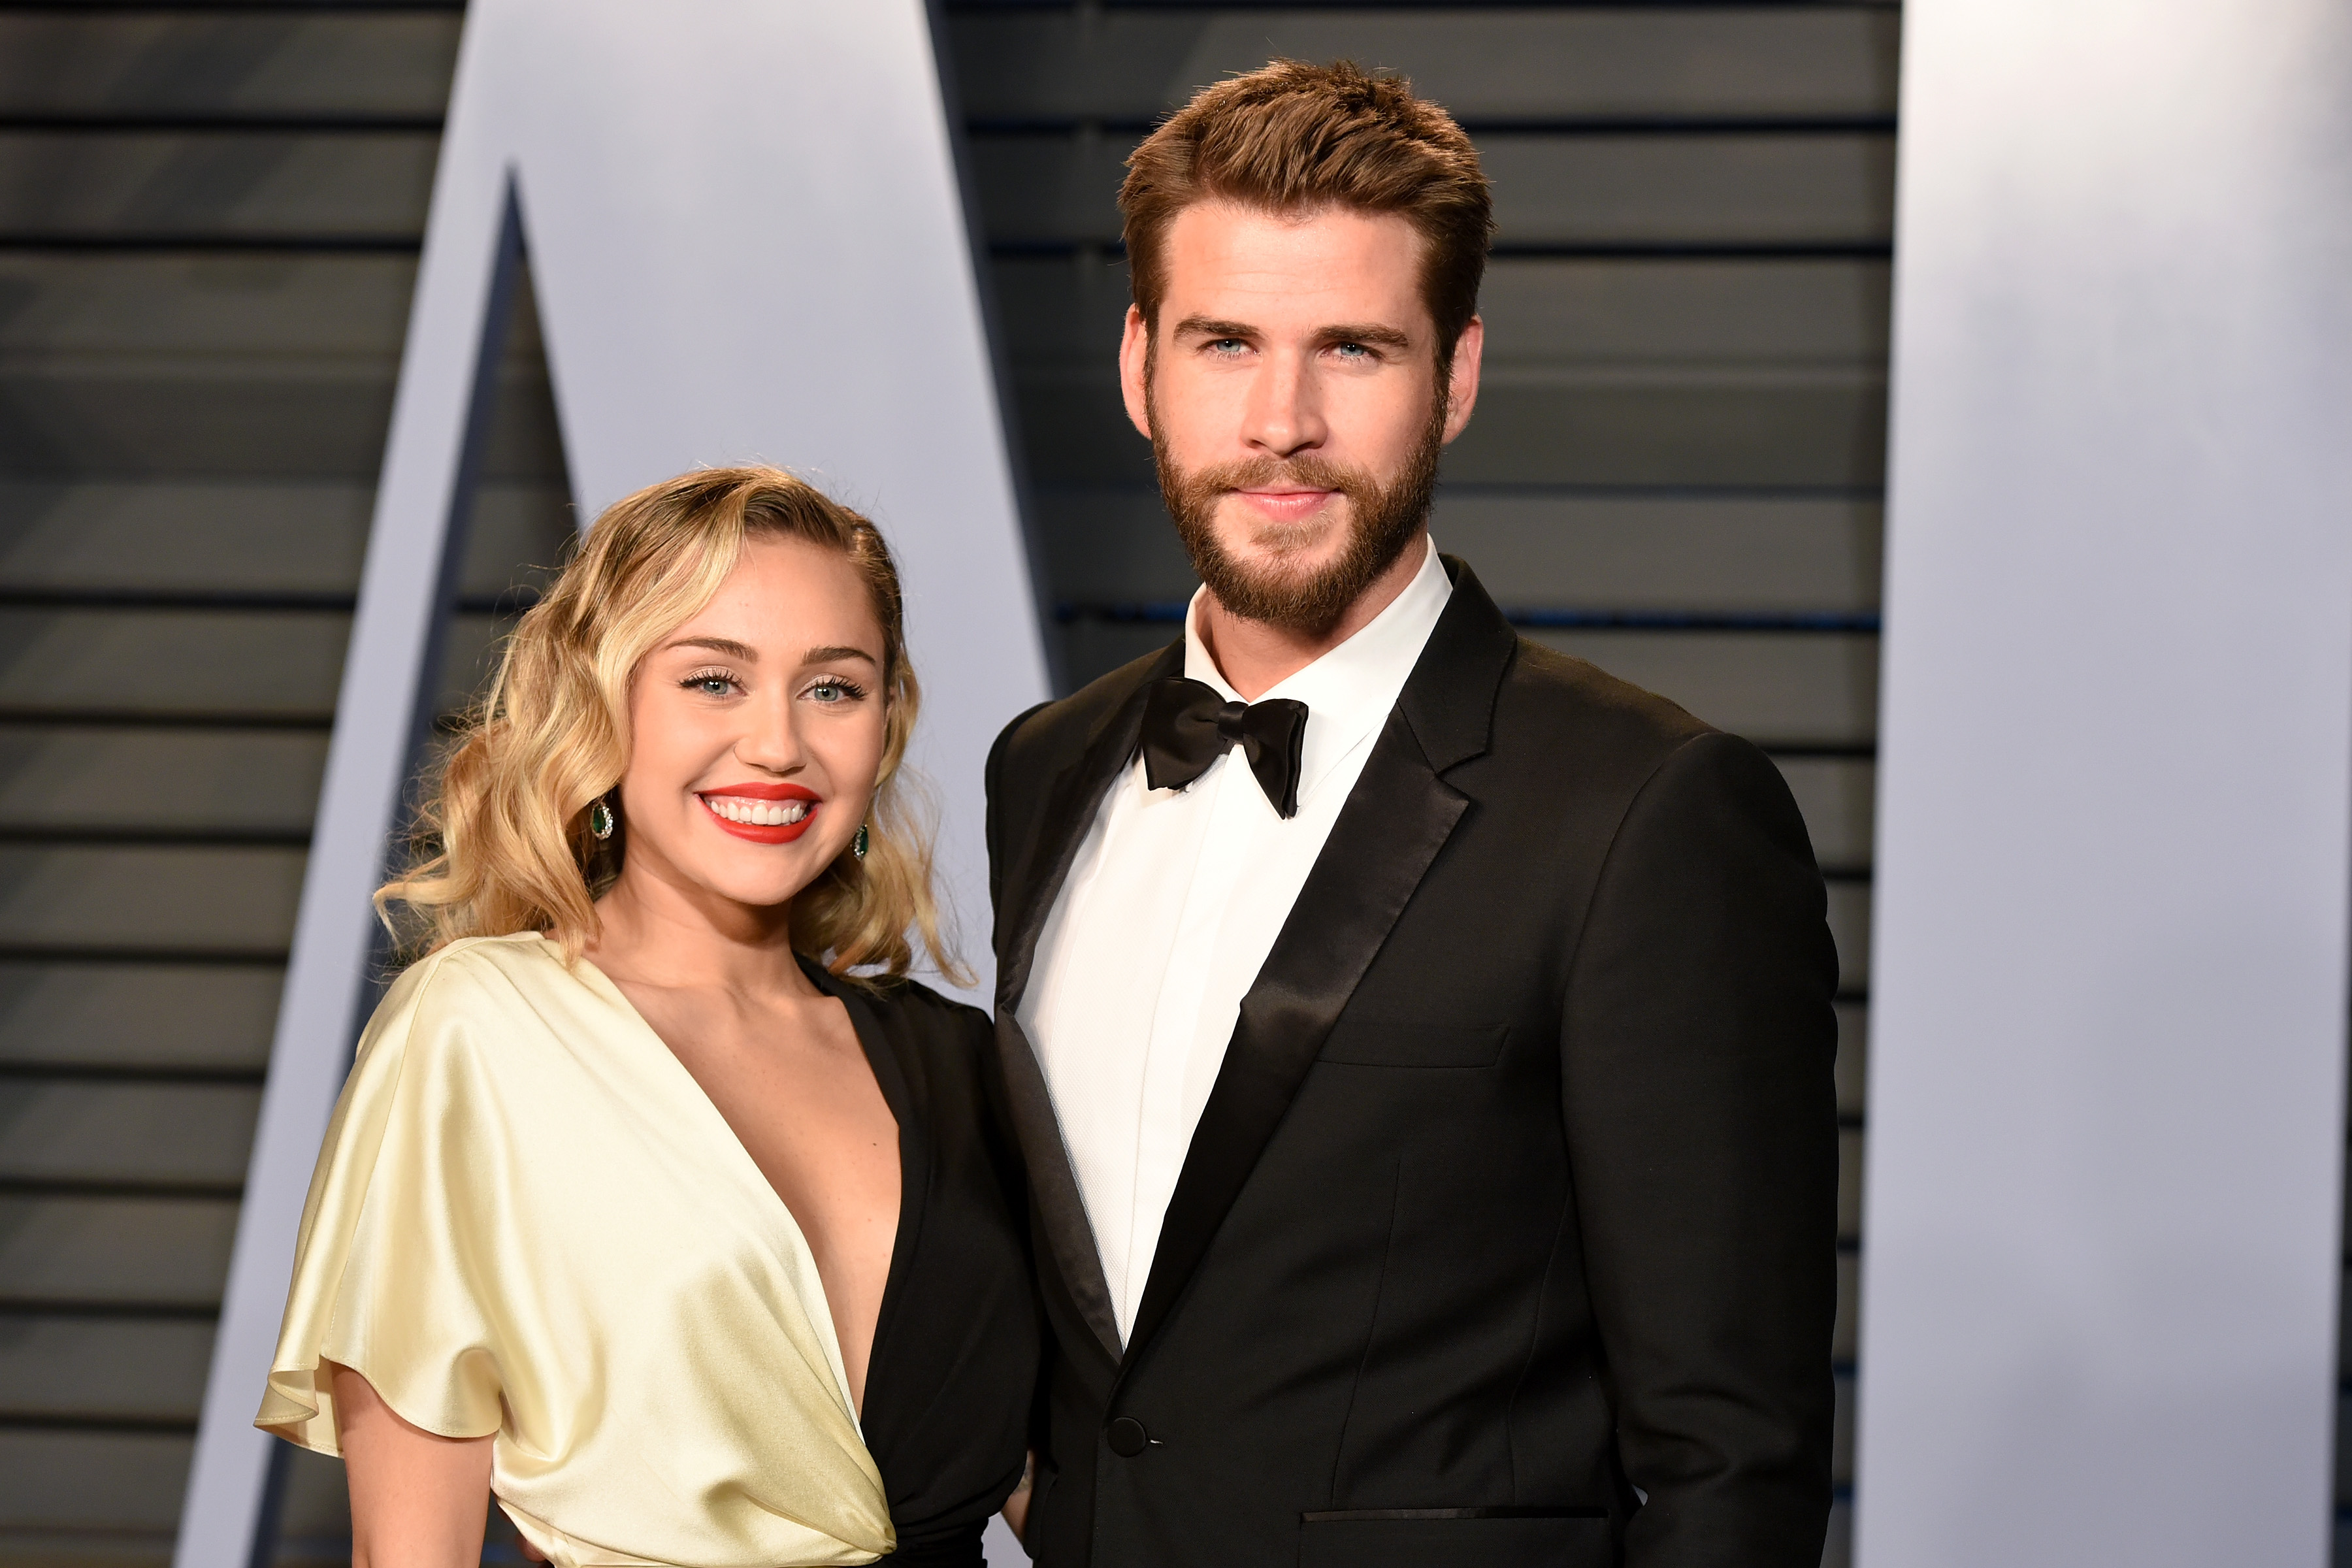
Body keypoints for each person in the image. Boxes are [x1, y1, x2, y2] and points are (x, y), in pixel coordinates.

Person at [984, 61, 1840, 1568]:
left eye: (1355, 350)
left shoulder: (1649, 813)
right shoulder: (1044, 771)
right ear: (1139, 367)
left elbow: (1733, 1460)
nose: (1282, 420)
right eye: (1225, 341)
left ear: (1454, 377)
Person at [256, 468, 1037, 1568]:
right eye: (714, 680)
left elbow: (1078, 1488)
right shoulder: (480, 1037)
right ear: (603, 708)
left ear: (885, 725)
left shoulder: (961, 1063)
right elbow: (409, 1554)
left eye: (833, 688)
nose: (777, 744)